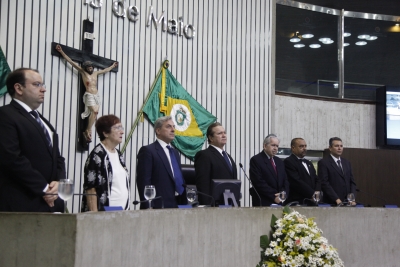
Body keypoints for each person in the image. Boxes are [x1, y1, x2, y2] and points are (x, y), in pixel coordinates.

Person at [0, 68, 66, 212]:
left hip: (51, 202)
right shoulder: (5, 115)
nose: (43, 90)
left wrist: (58, 183)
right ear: (19, 88)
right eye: (37, 84)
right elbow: (11, 158)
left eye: (43, 85)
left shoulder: (43, 122)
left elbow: (57, 158)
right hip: (24, 202)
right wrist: (44, 188)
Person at [56, 45, 118, 143]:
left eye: (91, 67)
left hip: (96, 95)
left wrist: (112, 66)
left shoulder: (96, 73)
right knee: (94, 111)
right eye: (88, 67)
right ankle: (88, 130)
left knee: (95, 113)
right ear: (85, 68)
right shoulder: (83, 72)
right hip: (89, 94)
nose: (90, 68)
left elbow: (105, 70)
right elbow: (71, 62)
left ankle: (88, 130)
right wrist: (61, 52)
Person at [81, 115, 130, 211]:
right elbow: (91, 188)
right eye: (117, 128)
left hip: (122, 212)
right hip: (104, 213)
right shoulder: (97, 155)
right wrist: (94, 217)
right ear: (105, 133)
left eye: (122, 128)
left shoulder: (119, 155)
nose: (122, 132)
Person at [136, 116, 187, 209]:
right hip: (158, 205)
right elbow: (144, 181)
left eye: (173, 127)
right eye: (168, 127)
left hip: (179, 204)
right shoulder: (148, 151)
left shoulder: (175, 152)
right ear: (158, 131)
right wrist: (148, 206)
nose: (173, 130)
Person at [194, 122, 238, 205]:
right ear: (211, 138)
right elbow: (203, 184)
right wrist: (207, 206)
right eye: (219, 133)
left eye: (224, 132)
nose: (224, 135)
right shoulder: (204, 155)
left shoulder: (228, 156)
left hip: (231, 204)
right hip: (214, 206)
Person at [249, 134, 289, 206]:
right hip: (264, 202)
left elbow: (285, 180)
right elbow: (258, 182)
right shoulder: (256, 160)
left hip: (280, 201)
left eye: (277, 146)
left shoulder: (279, 161)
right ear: (264, 146)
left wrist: (283, 193)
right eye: (273, 145)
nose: (275, 148)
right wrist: (274, 196)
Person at [318, 137, 357, 206]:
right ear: (330, 148)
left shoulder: (347, 163)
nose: (339, 148)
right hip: (332, 202)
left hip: (348, 202)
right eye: (336, 146)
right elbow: (324, 183)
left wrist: (352, 198)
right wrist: (336, 199)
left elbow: (352, 182)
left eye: (341, 146)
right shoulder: (324, 162)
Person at [284, 138, 320, 205]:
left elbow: (316, 178)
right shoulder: (289, 161)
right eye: (301, 146)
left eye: (305, 146)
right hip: (297, 201)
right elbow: (296, 181)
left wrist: (317, 191)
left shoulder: (309, 163)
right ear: (293, 148)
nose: (304, 148)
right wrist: (312, 193)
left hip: (312, 201)